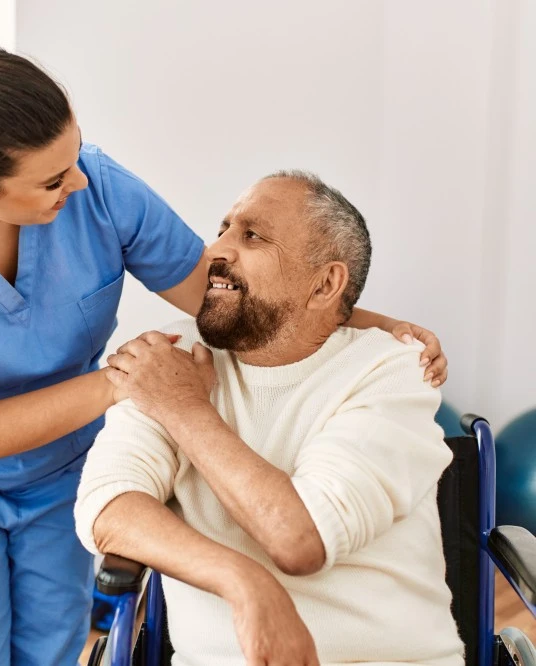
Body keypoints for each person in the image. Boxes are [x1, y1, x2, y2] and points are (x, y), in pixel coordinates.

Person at [0, 47, 449, 666]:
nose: (77, 183)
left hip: (59, 462)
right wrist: (127, 384)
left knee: (49, 650)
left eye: (73, 156)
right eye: (52, 180)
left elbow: (214, 291)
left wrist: (362, 316)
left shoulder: (97, 187)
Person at [76, 170, 462, 665]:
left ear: (325, 284)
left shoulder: (389, 370)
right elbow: (109, 506)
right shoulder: (171, 356)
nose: (216, 249)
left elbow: (301, 540)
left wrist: (184, 410)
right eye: (224, 228)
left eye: (252, 235)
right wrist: (243, 582)